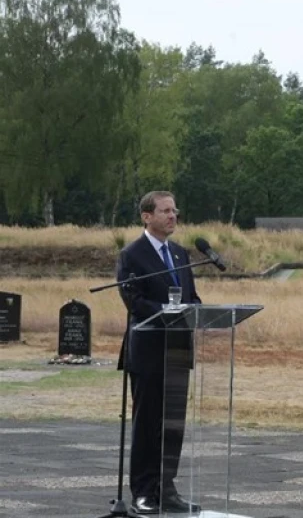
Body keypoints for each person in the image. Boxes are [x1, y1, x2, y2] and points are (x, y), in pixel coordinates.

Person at [115, 190, 201, 515]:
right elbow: (134, 304)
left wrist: (196, 309)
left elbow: (192, 296)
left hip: (178, 350)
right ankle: (143, 491)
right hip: (149, 351)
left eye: (175, 210)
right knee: (148, 423)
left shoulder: (180, 253)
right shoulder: (132, 255)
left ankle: (167, 489)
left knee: (172, 425)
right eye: (165, 210)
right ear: (146, 216)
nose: (172, 216)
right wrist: (168, 309)